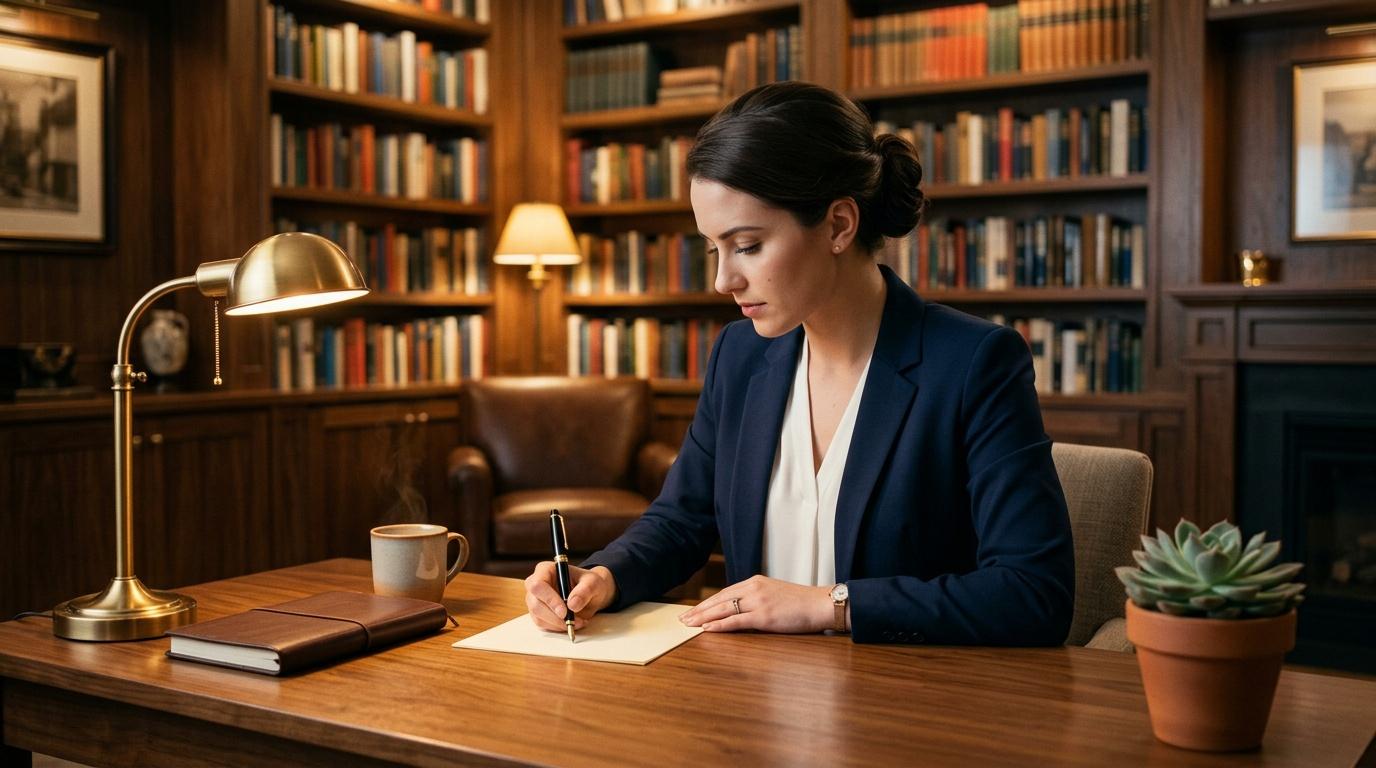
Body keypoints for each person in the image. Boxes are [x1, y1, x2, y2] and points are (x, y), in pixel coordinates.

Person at [524, 81, 1075, 645]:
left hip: (907, 707)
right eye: (715, 248)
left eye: (748, 245)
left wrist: (828, 606)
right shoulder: (739, 356)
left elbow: (1034, 592)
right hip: (751, 705)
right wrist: (600, 577)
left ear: (839, 225)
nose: (723, 280)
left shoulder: (974, 364)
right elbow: (679, 522)